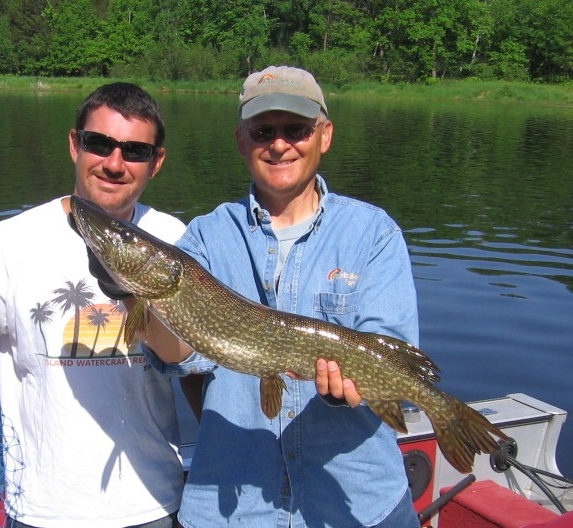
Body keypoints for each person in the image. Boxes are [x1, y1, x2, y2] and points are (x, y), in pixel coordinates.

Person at [143, 66, 420, 527]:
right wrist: (142, 296)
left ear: (324, 135)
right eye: (263, 131)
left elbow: (387, 343)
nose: (279, 144)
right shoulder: (206, 238)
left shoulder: (373, 233)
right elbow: (182, 357)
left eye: (296, 129)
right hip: (235, 508)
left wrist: (344, 391)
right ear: (241, 140)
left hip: (356, 503)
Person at [0, 83, 187, 528]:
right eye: (99, 143)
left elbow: (189, 362)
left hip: (151, 502)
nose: (114, 163)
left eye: (134, 151)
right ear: (75, 144)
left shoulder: (177, 240)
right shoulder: (7, 242)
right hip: (42, 508)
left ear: (157, 162)